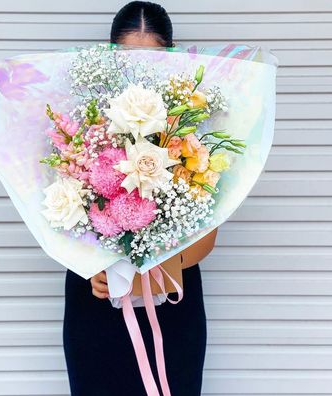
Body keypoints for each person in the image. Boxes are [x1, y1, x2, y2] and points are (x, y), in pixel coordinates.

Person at [63, 2, 218, 395]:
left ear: (171, 56)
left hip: (172, 300)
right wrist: (91, 265)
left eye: (152, 60)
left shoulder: (191, 127)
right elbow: (57, 212)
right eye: (128, 59)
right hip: (96, 297)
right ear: (110, 55)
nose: (140, 72)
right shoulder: (82, 123)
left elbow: (210, 231)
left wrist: (154, 273)